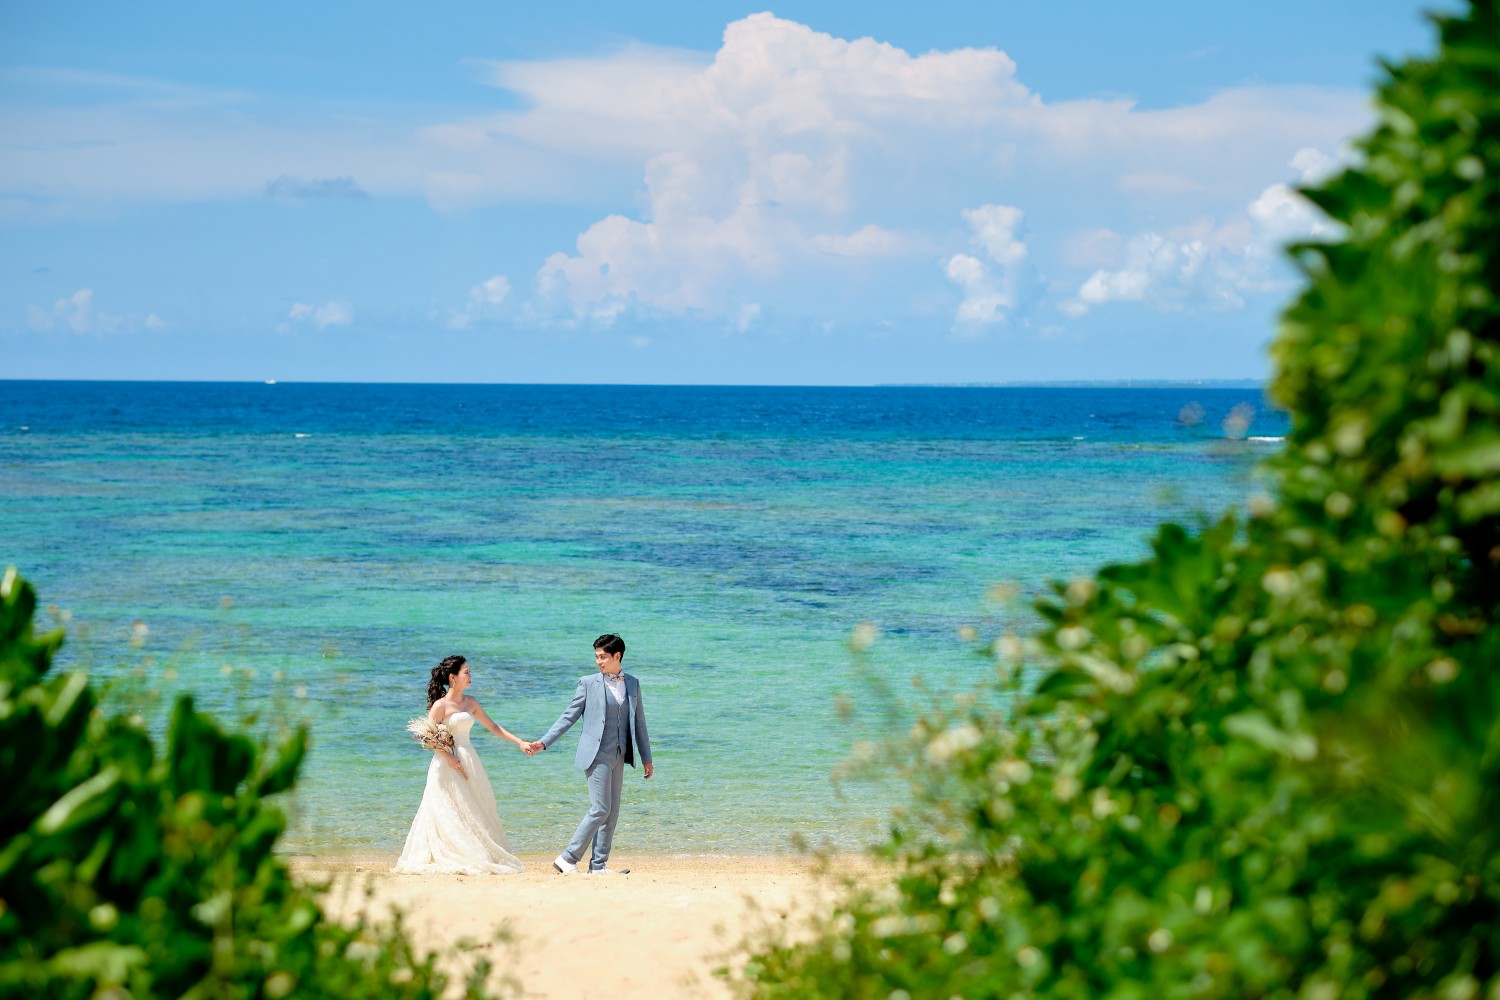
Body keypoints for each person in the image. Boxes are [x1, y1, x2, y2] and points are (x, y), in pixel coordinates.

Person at [393, 655, 531, 874]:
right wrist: (449, 757)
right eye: (466, 672)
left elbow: (493, 727)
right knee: (446, 808)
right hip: (445, 763)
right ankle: (451, 849)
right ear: (452, 677)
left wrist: (519, 742)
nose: (470, 676)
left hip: (469, 758)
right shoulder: (440, 706)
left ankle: (476, 850)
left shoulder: (471, 702)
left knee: (472, 807)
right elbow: (426, 737)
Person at [528, 634, 653, 876]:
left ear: (617, 656)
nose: (598, 661)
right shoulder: (587, 683)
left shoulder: (633, 684)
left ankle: (598, 866)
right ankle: (568, 857)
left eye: (603, 657)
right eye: (596, 657)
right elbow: (569, 716)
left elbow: (639, 723)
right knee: (600, 808)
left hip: (620, 753)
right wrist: (544, 742)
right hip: (595, 753)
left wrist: (647, 758)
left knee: (612, 812)